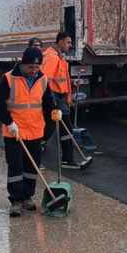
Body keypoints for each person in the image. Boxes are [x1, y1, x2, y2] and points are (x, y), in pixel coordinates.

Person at [0, 47, 59, 217]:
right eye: (31, 67)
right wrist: (9, 122)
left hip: (35, 130)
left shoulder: (42, 79)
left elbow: (48, 102)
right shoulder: (9, 79)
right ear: (23, 64)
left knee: (32, 166)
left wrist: (54, 111)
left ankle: (27, 197)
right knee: (16, 165)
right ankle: (15, 200)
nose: (34, 71)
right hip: (14, 132)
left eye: (37, 68)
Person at [41, 31, 82, 168]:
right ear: (60, 42)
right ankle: (68, 159)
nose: (70, 45)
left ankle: (39, 143)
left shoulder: (60, 58)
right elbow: (46, 80)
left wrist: (71, 84)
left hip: (60, 97)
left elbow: (59, 80)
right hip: (56, 98)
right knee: (66, 128)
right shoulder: (52, 58)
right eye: (68, 42)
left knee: (52, 125)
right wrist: (50, 100)